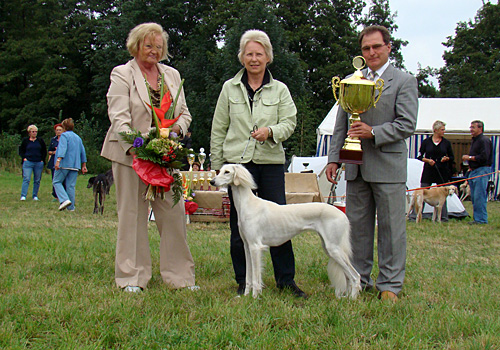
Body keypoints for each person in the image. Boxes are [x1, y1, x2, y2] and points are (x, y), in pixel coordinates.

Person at [101, 22, 197, 293]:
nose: (154, 51)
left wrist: (176, 132)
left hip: (166, 156)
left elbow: (185, 114)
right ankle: (132, 277)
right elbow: (119, 116)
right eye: (148, 45)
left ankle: (180, 277)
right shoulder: (122, 74)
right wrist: (140, 147)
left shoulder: (173, 75)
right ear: (136, 46)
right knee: (132, 215)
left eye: (158, 46)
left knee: (174, 213)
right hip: (130, 155)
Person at [325, 25, 418, 302]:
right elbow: (341, 123)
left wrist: (374, 132)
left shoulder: (404, 81)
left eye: (377, 46)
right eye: (366, 48)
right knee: (356, 229)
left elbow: (407, 124)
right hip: (355, 166)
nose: (372, 52)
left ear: (389, 47)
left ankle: (390, 284)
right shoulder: (351, 81)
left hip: (388, 167)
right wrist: (334, 159)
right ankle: (359, 279)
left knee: (391, 229)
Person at [211, 29, 305, 298]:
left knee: (281, 221)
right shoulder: (229, 88)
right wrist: (218, 166)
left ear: (268, 57)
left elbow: (290, 122)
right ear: (242, 57)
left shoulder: (281, 90)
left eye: (259, 54)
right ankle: (245, 282)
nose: (254, 59)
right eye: (249, 54)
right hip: (238, 167)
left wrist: (271, 132)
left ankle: (286, 281)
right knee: (239, 225)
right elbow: (219, 128)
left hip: (271, 163)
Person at [415, 120, 454, 221]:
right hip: (429, 169)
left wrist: (446, 158)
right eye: (442, 130)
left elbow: (452, 156)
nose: (444, 131)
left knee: (443, 192)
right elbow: (419, 156)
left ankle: (443, 217)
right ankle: (417, 215)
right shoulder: (426, 142)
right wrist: (427, 160)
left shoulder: (446, 143)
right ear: (435, 130)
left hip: (442, 170)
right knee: (423, 190)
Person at [53, 118, 88, 211]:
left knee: (56, 181)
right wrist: (84, 165)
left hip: (64, 164)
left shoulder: (64, 136)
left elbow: (62, 148)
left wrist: (58, 160)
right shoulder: (77, 137)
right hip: (75, 165)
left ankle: (64, 199)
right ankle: (71, 207)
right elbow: (82, 151)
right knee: (70, 186)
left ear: (64, 127)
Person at [462, 120, 492, 224]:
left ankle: (482, 220)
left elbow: (484, 157)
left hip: (482, 171)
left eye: (473, 127)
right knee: (474, 197)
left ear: (480, 128)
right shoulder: (475, 140)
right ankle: (477, 218)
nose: (471, 129)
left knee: (479, 196)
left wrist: (469, 158)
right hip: (474, 171)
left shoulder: (484, 140)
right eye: (470, 127)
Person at [19, 124, 47, 201]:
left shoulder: (40, 141)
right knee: (26, 178)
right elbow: (21, 150)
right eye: (33, 132)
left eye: (36, 132)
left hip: (38, 162)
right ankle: (23, 195)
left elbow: (44, 150)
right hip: (28, 162)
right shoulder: (25, 141)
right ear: (29, 132)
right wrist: (24, 158)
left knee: (37, 180)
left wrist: (42, 159)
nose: (34, 133)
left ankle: (35, 195)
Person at [47, 123, 65, 199]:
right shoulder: (53, 140)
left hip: (63, 162)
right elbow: (49, 151)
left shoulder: (65, 139)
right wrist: (54, 152)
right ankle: (55, 195)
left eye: (60, 130)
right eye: (57, 130)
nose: (58, 131)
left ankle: (64, 194)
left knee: (63, 179)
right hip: (54, 160)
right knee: (54, 178)